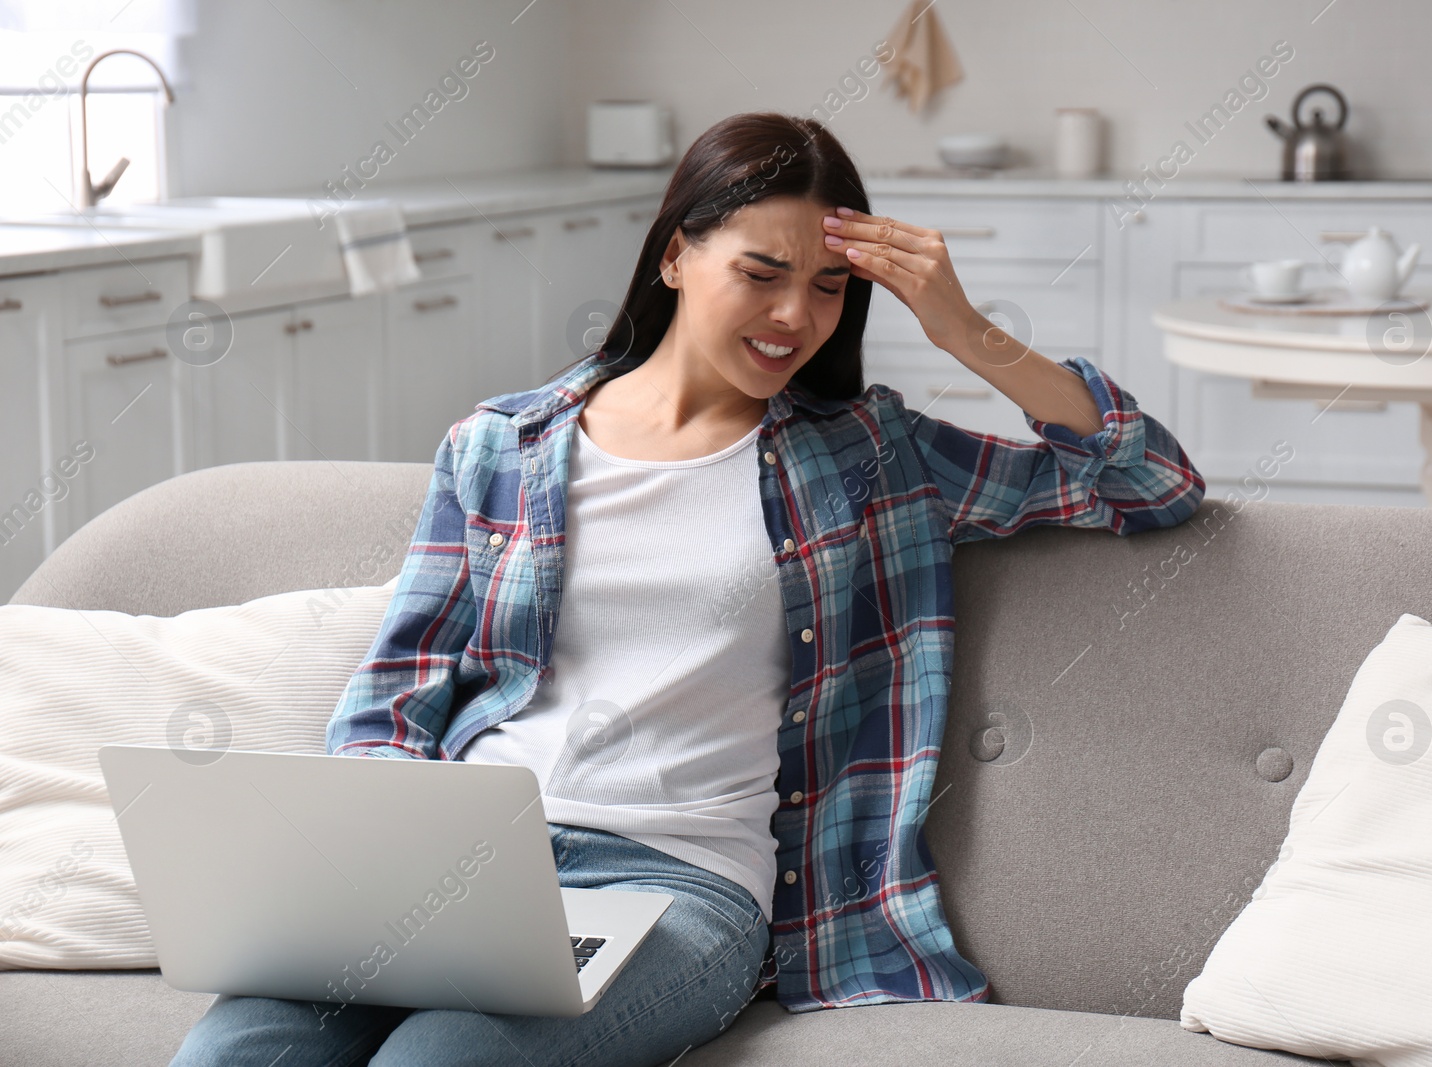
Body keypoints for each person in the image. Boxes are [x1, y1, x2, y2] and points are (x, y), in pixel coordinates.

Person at [170, 110, 1205, 1067]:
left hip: (679, 887)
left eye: (830, 286)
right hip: (469, 860)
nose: (796, 314)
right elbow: (401, 681)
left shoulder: (868, 455)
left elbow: (1148, 484)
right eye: (761, 272)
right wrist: (374, 844)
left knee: (442, 1056)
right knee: (236, 1050)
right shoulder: (500, 445)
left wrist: (967, 333)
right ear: (674, 254)